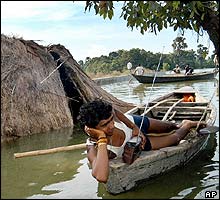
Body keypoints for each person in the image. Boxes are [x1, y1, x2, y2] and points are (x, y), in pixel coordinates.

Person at [78, 99, 206, 183]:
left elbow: (114, 111)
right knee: (176, 138)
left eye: (111, 120)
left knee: (168, 126)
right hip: (138, 145)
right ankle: (188, 124)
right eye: (105, 125)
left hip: (135, 123)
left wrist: (133, 127)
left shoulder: (108, 114)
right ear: (92, 129)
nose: (111, 125)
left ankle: (176, 125)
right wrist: (101, 138)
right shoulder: (93, 147)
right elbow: (101, 176)